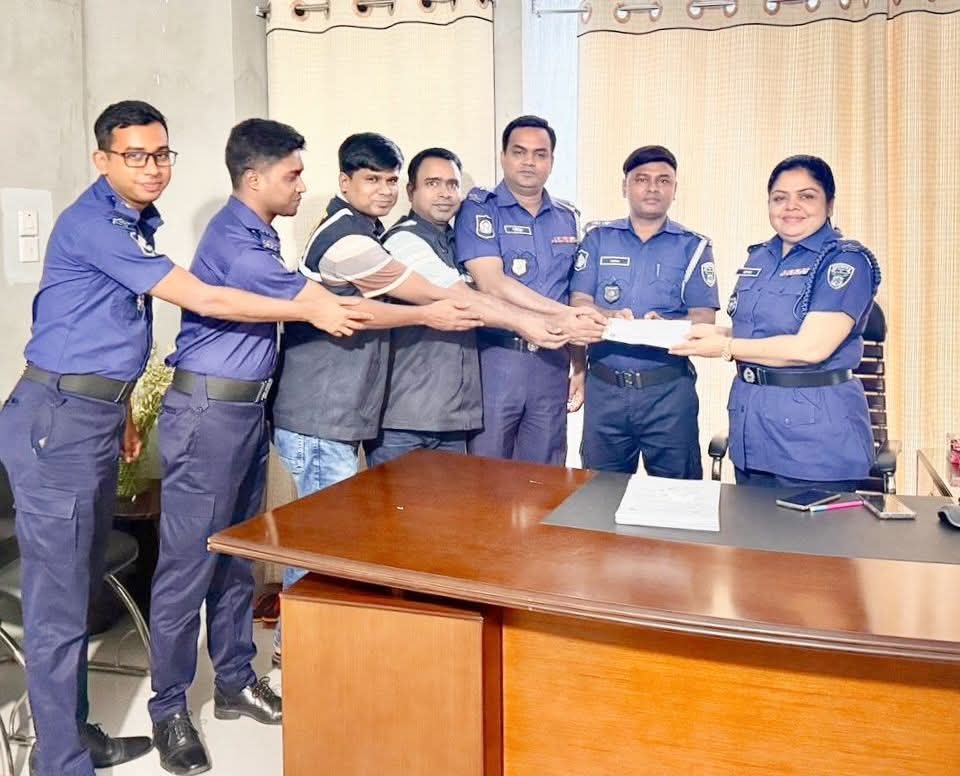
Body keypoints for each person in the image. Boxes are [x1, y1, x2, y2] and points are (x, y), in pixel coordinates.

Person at [0, 101, 361, 776]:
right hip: (57, 423)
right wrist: (308, 307)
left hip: (91, 415)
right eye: (135, 155)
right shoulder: (97, 223)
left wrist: (124, 414)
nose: (153, 168)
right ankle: (60, 762)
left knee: (80, 588)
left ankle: (73, 734)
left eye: (162, 154)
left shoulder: (133, 223)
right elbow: (208, 300)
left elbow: (93, 329)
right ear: (102, 159)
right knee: (58, 605)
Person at [147, 119, 371, 774]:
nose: (302, 185)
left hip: (244, 413)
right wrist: (430, 310)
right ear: (254, 178)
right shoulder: (236, 240)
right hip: (209, 414)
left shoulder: (261, 234)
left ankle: (234, 683)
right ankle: (167, 709)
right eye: (292, 174)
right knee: (188, 565)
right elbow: (321, 305)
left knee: (238, 557)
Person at [269, 133, 484, 665]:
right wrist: (437, 310)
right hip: (320, 416)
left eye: (390, 180)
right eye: (372, 180)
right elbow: (401, 296)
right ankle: (297, 660)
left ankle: (311, 654)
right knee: (323, 545)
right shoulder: (345, 239)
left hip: (340, 417)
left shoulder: (368, 231)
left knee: (331, 541)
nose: (384, 190)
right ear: (345, 182)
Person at [671, 155, 881, 489]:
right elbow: (761, 332)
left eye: (806, 196)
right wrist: (710, 332)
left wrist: (725, 346)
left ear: (829, 204)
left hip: (815, 442)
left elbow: (810, 348)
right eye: (779, 198)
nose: (791, 207)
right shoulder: (760, 257)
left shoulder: (844, 262)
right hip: (752, 431)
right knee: (750, 525)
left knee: (809, 527)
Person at [365, 147, 567, 466]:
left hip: (452, 420)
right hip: (406, 420)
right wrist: (531, 323)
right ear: (411, 191)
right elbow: (465, 298)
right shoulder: (404, 241)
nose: (445, 193)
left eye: (452, 184)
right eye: (432, 183)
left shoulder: (456, 241)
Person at [454, 115, 608, 465]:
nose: (529, 162)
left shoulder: (567, 217)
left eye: (540, 154)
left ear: (551, 161)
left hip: (552, 363)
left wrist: (579, 363)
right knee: (488, 471)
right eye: (519, 152)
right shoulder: (479, 209)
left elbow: (571, 291)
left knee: (545, 475)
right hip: (497, 360)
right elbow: (492, 284)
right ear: (503, 156)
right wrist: (567, 316)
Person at [571, 145, 718, 478]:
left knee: (676, 496)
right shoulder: (598, 239)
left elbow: (705, 319)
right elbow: (578, 301)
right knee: (600, 494)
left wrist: (667, 325)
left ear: (675, 190)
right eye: (642, 179)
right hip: (605, 389)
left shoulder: (693, 247)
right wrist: (607, 315)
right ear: (625, 186)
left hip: (668, 392)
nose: (653, 188)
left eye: (664, 180)